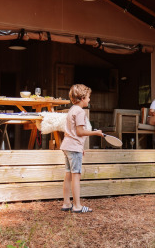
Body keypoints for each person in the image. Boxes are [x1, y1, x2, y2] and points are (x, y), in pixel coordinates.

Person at [60, 84, 103, 213]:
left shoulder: (72, 110)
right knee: (76, 176)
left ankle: (66, 203)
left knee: (68, 175)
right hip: (73, 148)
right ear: (83, 97)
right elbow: (79, 131)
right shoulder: (80, 112)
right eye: (89, 97)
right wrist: (96, 133)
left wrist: (80, 146)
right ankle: (77, 206)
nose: (89, 99)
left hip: (67, 146)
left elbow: (72, 131)